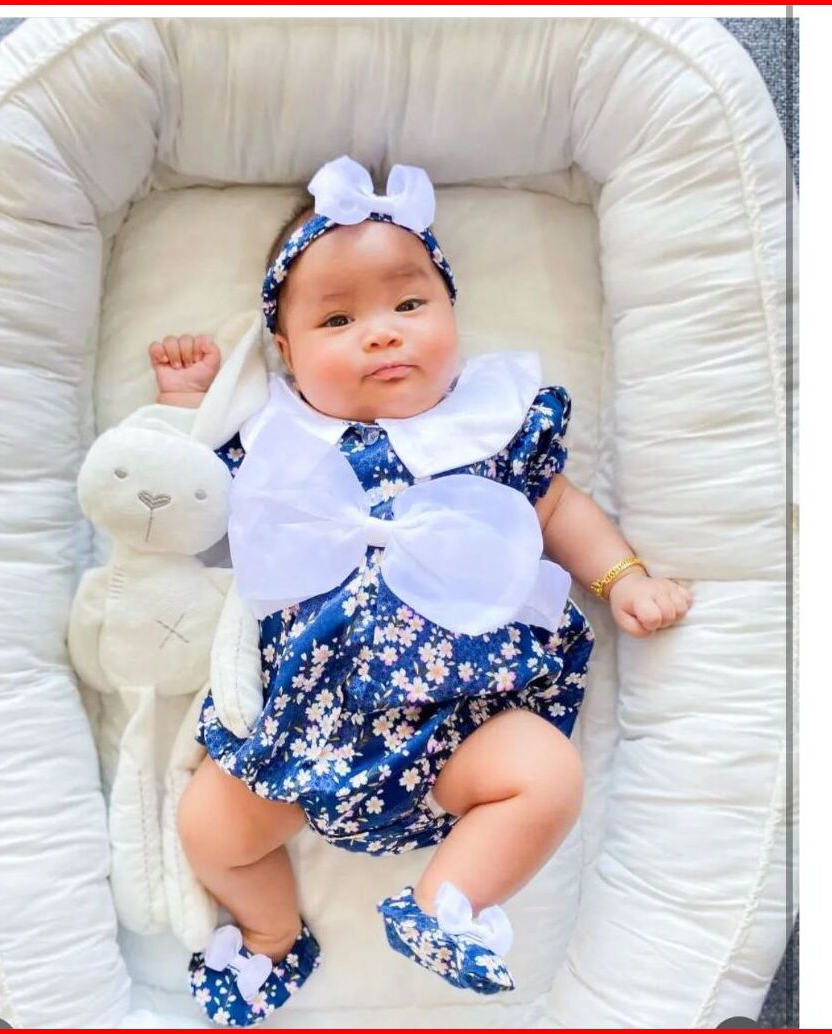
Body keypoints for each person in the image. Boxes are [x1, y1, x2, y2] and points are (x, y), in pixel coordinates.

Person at [148, 156, 693, 1027]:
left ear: (451, 313)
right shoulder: (279, 438)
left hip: (462, 730)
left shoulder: (487, 430)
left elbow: (557, 509)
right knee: (208, 827)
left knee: (548, 776)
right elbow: (194, 504)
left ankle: (448, 904)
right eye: (338, 318)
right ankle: (270, 934)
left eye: (409, 305)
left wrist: (621, 577)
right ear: (286, 354)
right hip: (301, 734)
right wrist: (188, 406)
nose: (382, 334)